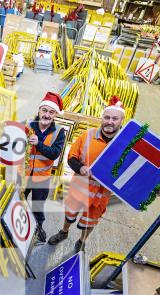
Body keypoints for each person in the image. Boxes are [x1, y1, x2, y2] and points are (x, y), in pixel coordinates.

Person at [47, 96, 124, 253]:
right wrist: (80, 168)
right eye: (107, 117)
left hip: (100, 196)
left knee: (90, 221)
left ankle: (82, 241)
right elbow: (71, 157)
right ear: (102, 118)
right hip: (79, 189)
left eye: (115, 119)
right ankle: (64, 232)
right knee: (70, 213)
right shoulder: (88, 135)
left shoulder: (124, 144)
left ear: (121, 121)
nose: (110, 121)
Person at [20, 92, 66, 243]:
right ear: (39, 110)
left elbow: (54, 154)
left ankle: (38, 227)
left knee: (38, 206)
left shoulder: (59, 132)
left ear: (55, 115)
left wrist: (38, 143)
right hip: (24, 175)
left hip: (42, 178)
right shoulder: (27, 125)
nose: (47, 115)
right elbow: (12, 142)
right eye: (44, 111)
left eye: (51, 112)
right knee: (18, 202)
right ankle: (18, 227)